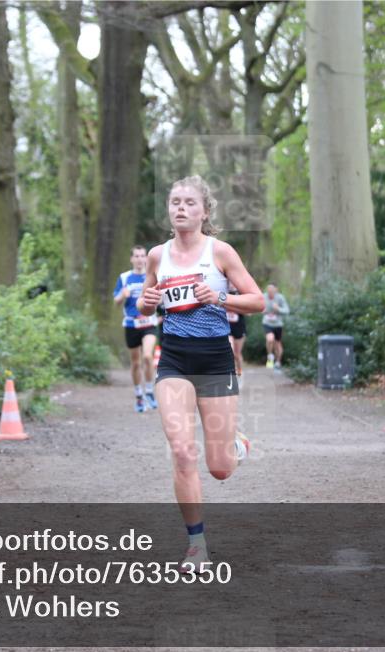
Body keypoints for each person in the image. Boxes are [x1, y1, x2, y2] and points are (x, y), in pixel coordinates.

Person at [138, 175, 264, 572]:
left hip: (214, 360)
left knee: (220, 468)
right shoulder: (158, 256)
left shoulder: (221, 252)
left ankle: (237, 446)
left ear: (205, 211)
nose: (181, 208)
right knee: (181, 450)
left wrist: (221, 296)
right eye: (175, 202)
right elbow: (146, 305)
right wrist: (146, 302)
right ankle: (197, 545)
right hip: (174, 359)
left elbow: (257, 300)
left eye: (190, 203)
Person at [113, 246, 159, 412]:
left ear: (146, 258)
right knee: (135, 362)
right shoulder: (124, 277)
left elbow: (160, 298)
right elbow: (116, 301)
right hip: (131, 324)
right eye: (136, 256)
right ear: (132, 259)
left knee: (147, 356)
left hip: (149, 323)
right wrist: (122, 295)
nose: (140, 259)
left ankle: (149, 390)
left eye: (142, 256)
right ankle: (139, 395)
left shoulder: (152, 275)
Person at [262, 283, 289, 370]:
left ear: (275, 290)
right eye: (268, 290)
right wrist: (262, 309)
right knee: (270, 339)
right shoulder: (264, 296)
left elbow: (287, 310)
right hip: (267, 323)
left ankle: (278, 362)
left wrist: (278, 309)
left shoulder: (280, 298)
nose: (270, 292)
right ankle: (270, 356)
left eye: (272, 291)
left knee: (277, 344)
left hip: (278, 324)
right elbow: (258, 307)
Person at [226, 287, 246, 384]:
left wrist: (234, 307)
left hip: (239, 327)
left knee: (237, 354)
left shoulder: (242, 295)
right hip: (227, 327)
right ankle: (231, 376)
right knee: (231, 352)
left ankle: (240, 373)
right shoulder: (223, 291)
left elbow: (249, 312)